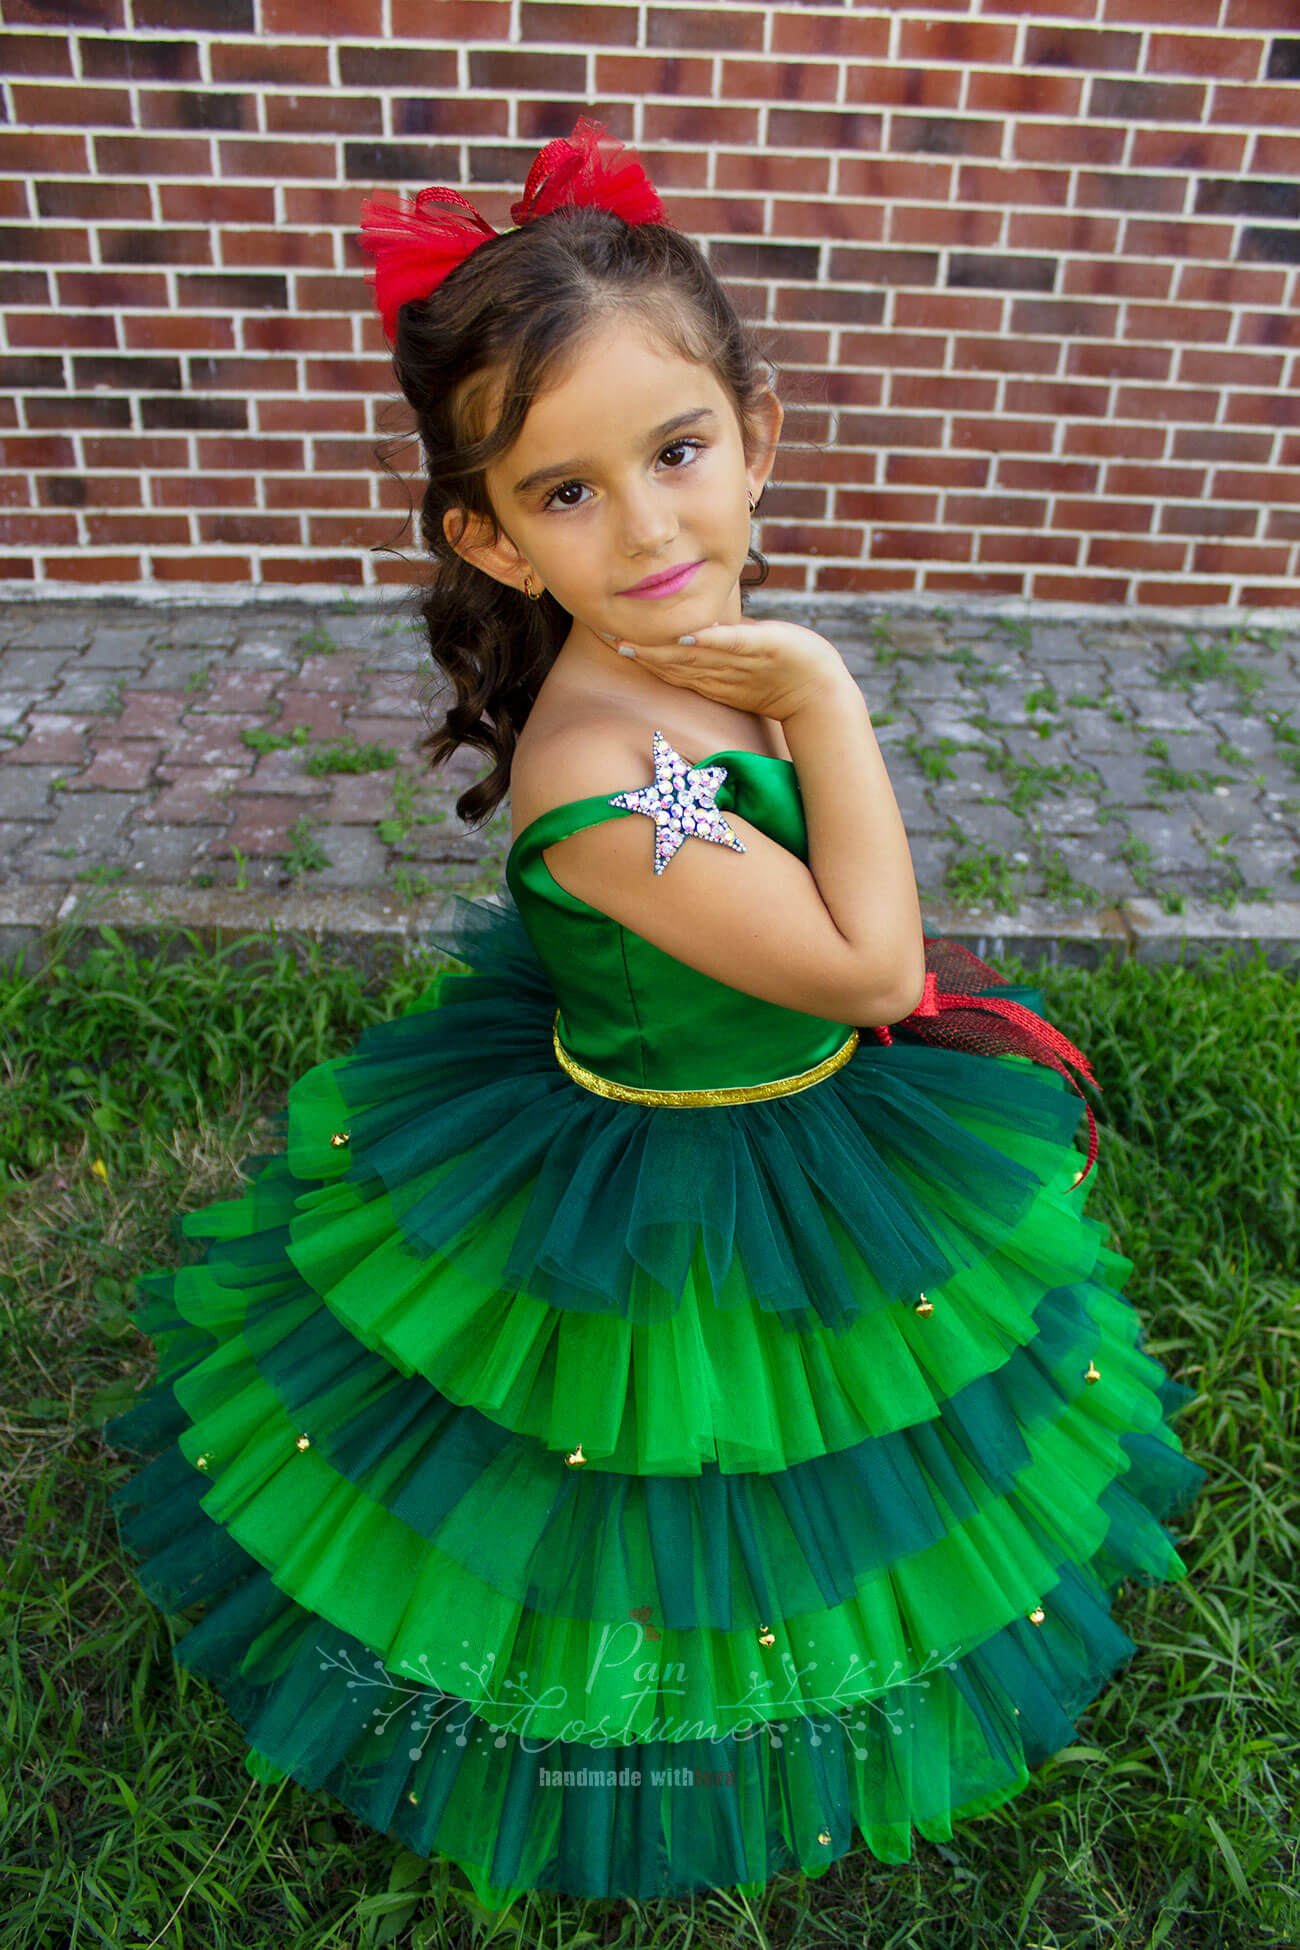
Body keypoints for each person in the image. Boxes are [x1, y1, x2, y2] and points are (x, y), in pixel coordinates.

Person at [103, 117, 1207, 1910]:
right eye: (566, 493)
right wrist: (829, 698)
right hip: (671, 1173)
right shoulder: (604, 772)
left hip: (803, 1103)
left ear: (756, 440)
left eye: (678, 451)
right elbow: (868, 970)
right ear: (497, 540)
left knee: (848, 1454)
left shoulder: (698, 668)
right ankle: (636, 1736)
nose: (649, 526)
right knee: (661, 1470)